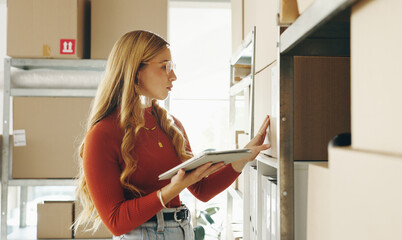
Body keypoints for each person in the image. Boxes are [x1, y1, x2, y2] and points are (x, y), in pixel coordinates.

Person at [73, 30, 270, 240]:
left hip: (182, 230)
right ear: (136, 71)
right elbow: (115, 222)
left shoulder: (171, 126)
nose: (173, 76)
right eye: (164, 66)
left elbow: (201, 189)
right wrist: (172, 189)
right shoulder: (102, 134)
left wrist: (243, 158)